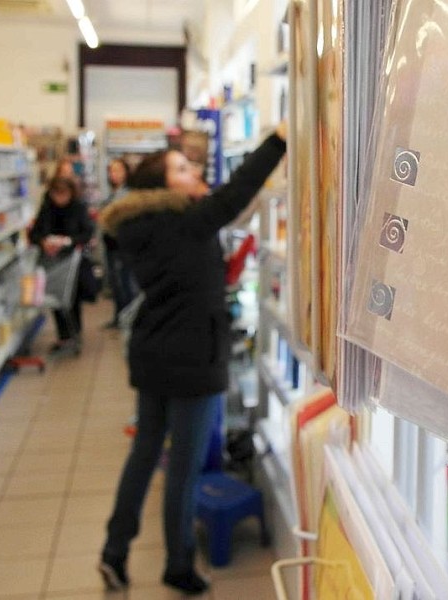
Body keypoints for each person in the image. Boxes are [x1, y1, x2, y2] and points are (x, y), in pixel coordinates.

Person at [97, 123, 287, 595]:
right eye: (182, 168)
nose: (195, 170)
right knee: (183, 469)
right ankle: (179, 564)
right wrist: (279, 140)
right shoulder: (187, 220)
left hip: (153, 353)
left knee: (144, 455)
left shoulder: (140, 227)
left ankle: (114, 551)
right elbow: (237, 192)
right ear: (162, 187)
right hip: (192, 358)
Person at [28, 175, 95, 353]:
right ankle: (63, 337)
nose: (59, 199)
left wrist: (68, 241)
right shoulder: (47, 208)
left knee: (72, 297)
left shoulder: (78, 208)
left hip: (72, 261)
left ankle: (75, 333)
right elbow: (34, 234)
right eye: (55, 195)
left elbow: (87, 233)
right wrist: (43, 242)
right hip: (51, 261)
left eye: (63, 195)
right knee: (55, 298)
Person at [101, 157, 136, 328]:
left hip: (122, 246)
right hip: (112, 245)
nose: (113, 174)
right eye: (111, 170)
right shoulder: (114, 193)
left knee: (125, 283)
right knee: (116, 284)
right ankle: (119, 317)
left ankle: (127, 318)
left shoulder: (127, 194)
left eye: (117, 170)